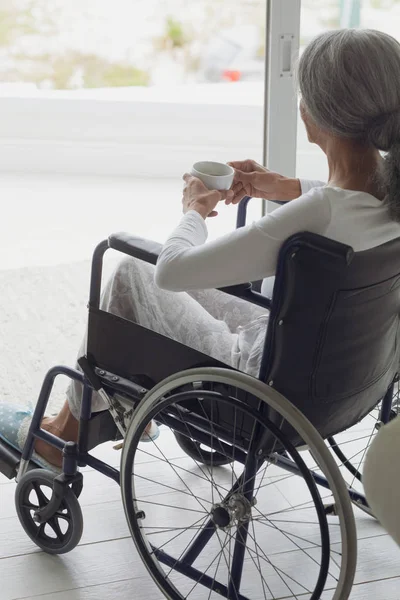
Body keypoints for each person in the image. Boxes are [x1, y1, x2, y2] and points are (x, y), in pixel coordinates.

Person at [1, 28, 400, 468]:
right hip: (341, 383)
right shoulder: (387, 195)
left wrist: (193, 211)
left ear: (317, 114)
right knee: (174, 286)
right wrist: (285, 186)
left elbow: (172, 271)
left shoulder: (314, 216)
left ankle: (59, 439)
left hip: (261, 391)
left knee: (133, 270)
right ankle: (109, 407)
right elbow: (345, 206)